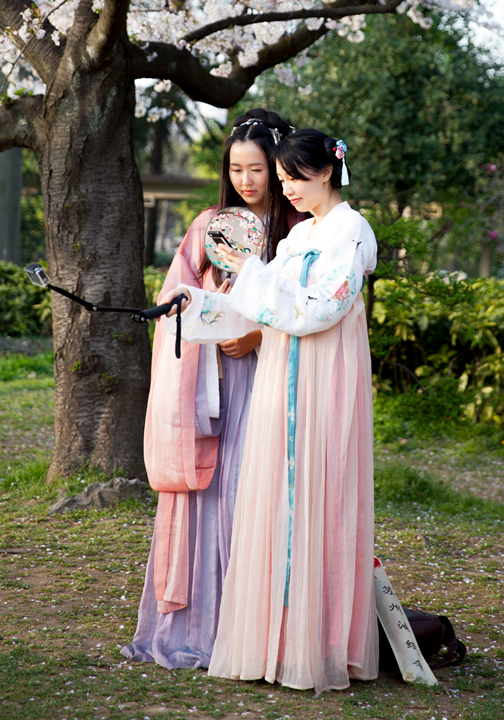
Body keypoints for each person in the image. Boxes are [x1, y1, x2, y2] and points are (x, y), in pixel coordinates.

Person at [161, 130, 378, 693]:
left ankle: (319, 645)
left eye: (294, 178)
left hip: (322, 376)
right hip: (281, 372)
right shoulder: (298, 235)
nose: (287, 190)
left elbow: (320, 310)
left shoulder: (352, 233)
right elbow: (257, 302)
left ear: (327, 172)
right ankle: (276, 641)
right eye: (282, 180)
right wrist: (206, 303)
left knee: (317, 500)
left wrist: (253, 278)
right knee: (278, 503)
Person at [122, 108, 300, 670]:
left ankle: (257, 627)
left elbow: (310, 309)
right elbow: (179, 295)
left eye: (257, 169)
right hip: (210, 379)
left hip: (269, 378)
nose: (247, 180)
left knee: (256, 492)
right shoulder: (210, 225)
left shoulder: (298, 231)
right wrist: (201, 314)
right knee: (212, 495)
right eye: (237, 169)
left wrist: (257, 336)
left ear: (278, 167)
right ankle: (203, 622)